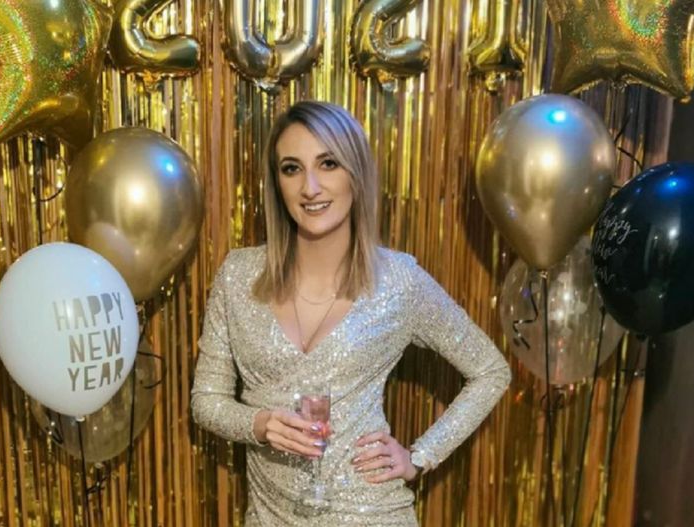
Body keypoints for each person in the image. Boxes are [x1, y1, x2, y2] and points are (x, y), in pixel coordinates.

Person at [191, 101, 511, 526]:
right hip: (269, 517)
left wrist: (420, 456)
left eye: (328, 164)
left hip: (371, 513)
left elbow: (491, 370)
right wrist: (259, 423)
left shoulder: (398, 281)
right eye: (292, 168)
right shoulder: (238, 276)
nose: (310, 187)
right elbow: (206, 401)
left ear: (355, 173)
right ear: (277, 183)